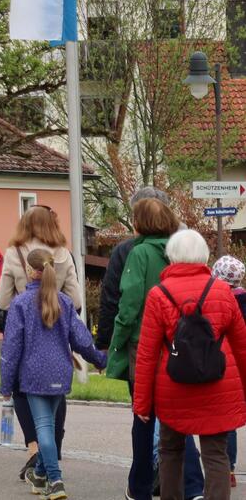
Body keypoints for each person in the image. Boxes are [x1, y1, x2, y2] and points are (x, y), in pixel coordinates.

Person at [134, 230, 246, 500]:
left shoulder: (158, 294)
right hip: (218, 384)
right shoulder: (222, 291)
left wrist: (141, 402)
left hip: (173, 386)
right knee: (216, 454)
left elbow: (147, 353)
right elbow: (242, 345)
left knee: (171, 450)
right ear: (203, 256)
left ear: (172, 256)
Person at [0, 248, 107, 500]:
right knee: (49, 424)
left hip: (34, 375)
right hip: (60, 372)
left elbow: (11, 348)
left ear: (29, 270)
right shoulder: (65, 302)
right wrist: (100, 360)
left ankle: (55, 480)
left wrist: (6, 384)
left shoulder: (21, 304)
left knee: (43, 428)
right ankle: (39, 474)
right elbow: (81, 340)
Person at [107, 191, 187, 500]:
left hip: (144, 346)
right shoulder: (177, 251)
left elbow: (128, 304)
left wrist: (114, 344)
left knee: (143, 417)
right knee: (177, 421)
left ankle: (139, 487)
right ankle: (185, 487)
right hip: (179, 344)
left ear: (141, 223)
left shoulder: (138, 254)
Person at [0, 205, 83, 481]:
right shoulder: (63, 254)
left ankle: (34, 448)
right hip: (57, 331)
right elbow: (78, 300)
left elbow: (2, 301)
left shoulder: (14, 253)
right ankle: (52, 451)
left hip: (26, 334)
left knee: (24, 391)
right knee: (55, 393)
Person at [212, 255, 246, 484]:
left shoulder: (218, 299)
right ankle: (229, 468)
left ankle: (225, 467)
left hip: (224, 363)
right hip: (241, 363)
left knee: (223, 420)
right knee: (234, 418)